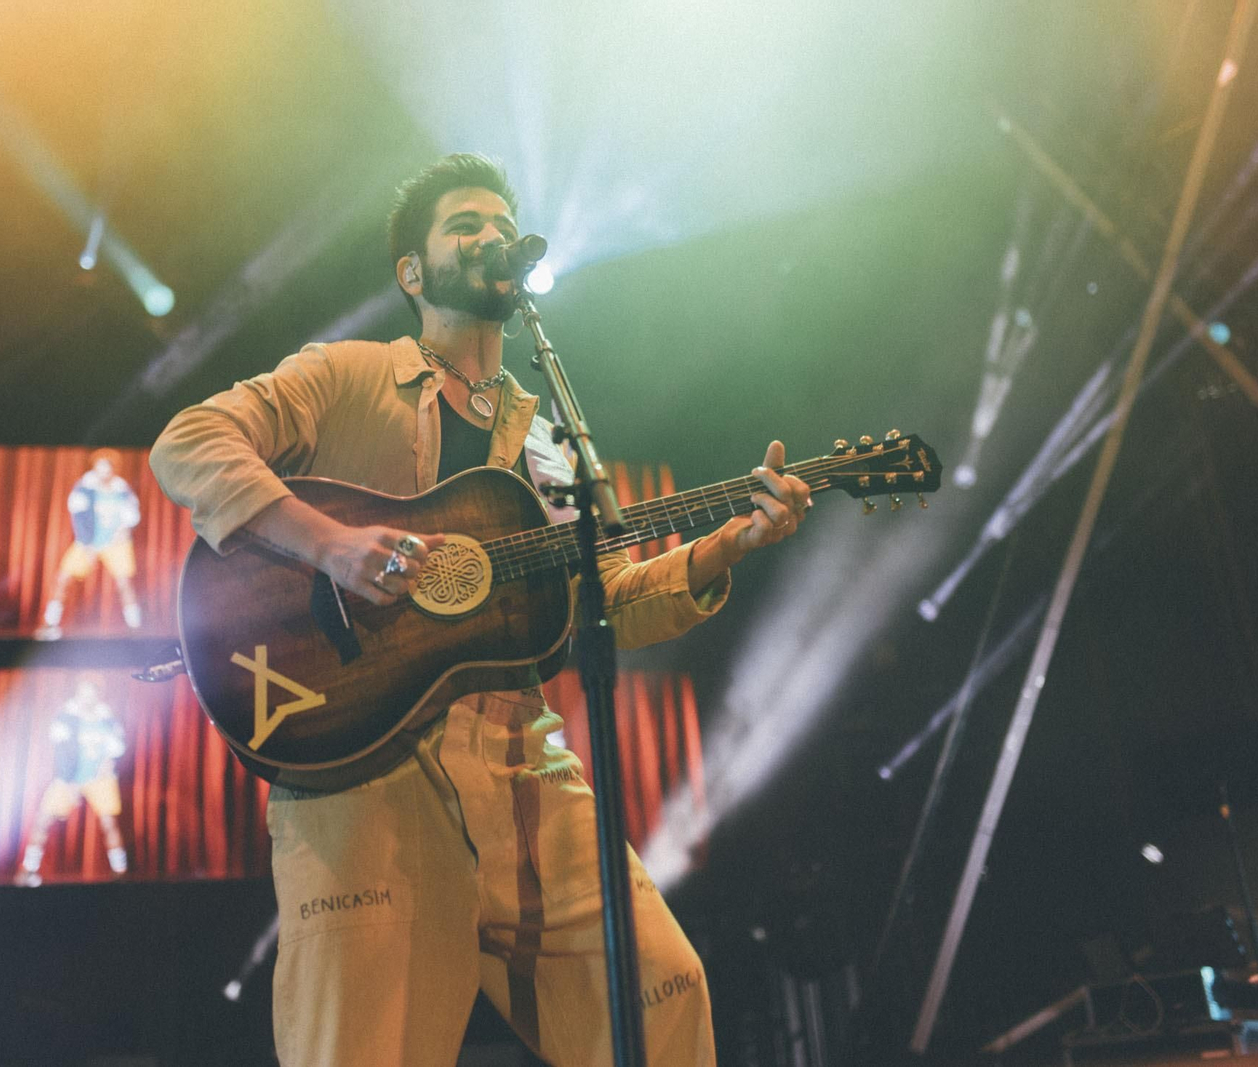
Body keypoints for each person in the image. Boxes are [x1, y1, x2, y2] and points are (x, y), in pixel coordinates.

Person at [149, 153, 812, 1066]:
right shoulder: (349, 375)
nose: (491, 235)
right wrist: (330, 545)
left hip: (521, 764)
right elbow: (190, 442)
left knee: (661, 995)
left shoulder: (547, 443)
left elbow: (604, 596)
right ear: (412, 274)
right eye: (464, 224)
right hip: (368, 771)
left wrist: (724, 546)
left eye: (503, 223)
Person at [15, 674, 129, 886]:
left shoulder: (107, 719)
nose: (87, 699)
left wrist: (105, 767)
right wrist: (70, 783)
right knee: (43, 819)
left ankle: (121, 873)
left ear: (97, 696)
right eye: (83, 694)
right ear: (77, 695)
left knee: (108, 823)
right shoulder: (66, 718)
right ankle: (28, 870)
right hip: (68, 777)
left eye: (91, 694)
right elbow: (61, 753)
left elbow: (116, 749)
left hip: (100, 778)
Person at [36, 449, 143, 640]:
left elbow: (132, 516)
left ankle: (136, 628)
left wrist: (123, 531)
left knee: (124, 584)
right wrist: (88, 545)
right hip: (87, 542)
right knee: (63, 579)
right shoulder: (84, 487)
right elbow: (78, 516)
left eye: (107, 469)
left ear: (113, 470)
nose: (103, 473)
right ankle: (50, 624)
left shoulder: (122, 489)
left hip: (116, 544)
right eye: (99, 468)